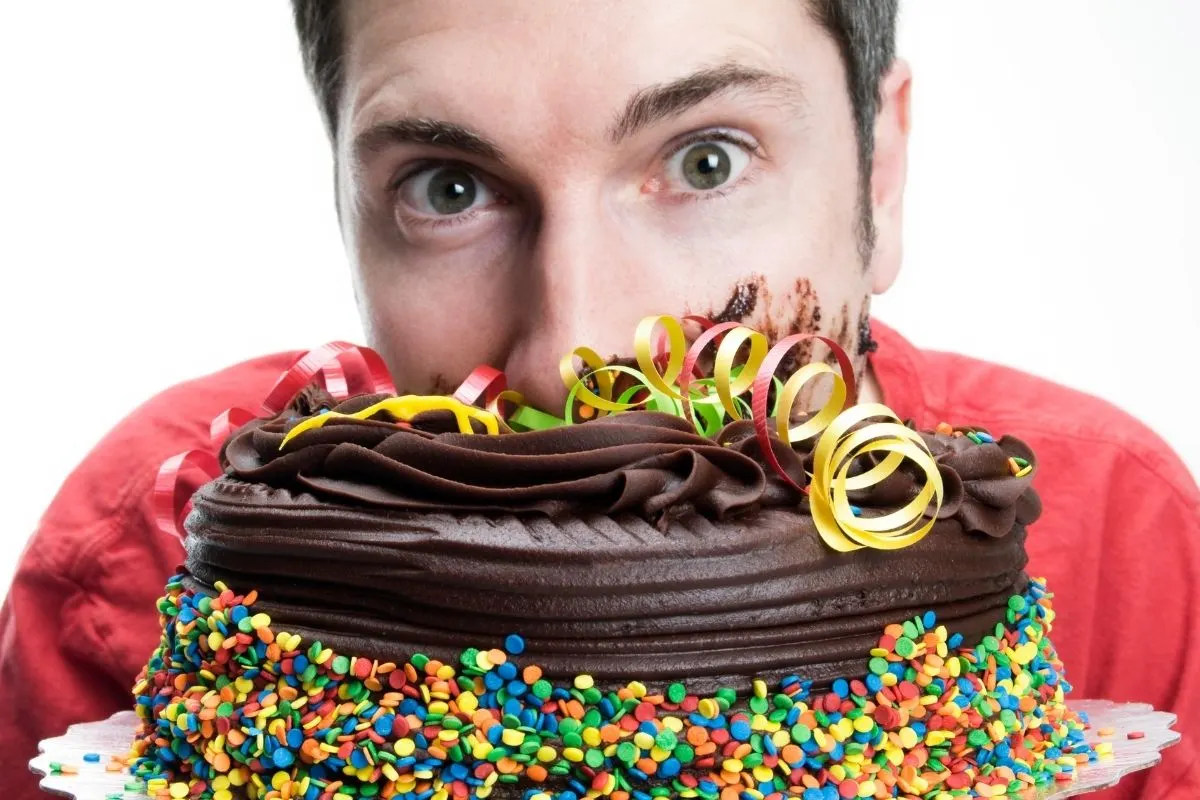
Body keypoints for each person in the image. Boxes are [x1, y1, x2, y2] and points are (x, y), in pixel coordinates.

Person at [2, 2, 1196, 798]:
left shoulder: (1114, 532)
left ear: (880, 170)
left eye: (706, 160)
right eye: (449, 185)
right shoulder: (152, 542)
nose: (575, 349)